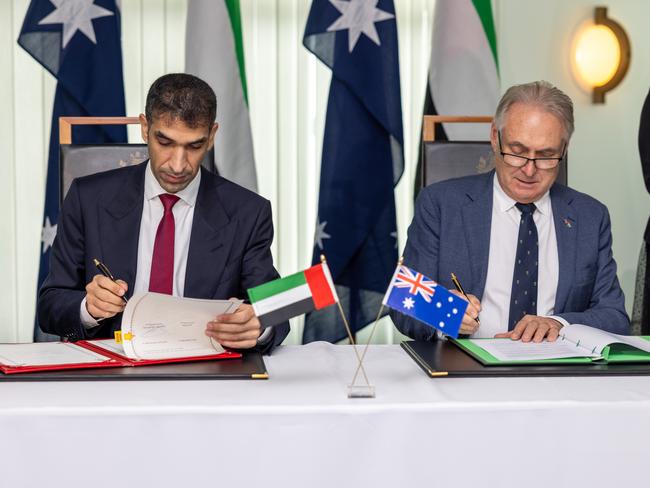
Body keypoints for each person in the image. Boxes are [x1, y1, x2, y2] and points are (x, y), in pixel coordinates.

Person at [38, 73, 289, 353]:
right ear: (145, 128)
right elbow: (50, 305)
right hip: (112, 373)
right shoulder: (88, 198)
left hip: (208, 374)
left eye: (194, 146)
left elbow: (275, 306)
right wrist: (89, 307)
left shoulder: (249, 212)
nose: (178, 165)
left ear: (212, 136)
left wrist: (260, 325)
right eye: (165, 142)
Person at [393, 80, 630, 343]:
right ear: (495, 137)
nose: (529, 170)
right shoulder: (440, 204)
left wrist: (558, 323)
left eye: (546, 155)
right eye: (517, 152)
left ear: (564, 149)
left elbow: (614, 317)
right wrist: (446, 312)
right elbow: (404, 304)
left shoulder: (590, 217)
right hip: (462, 370)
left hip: (555, 373)